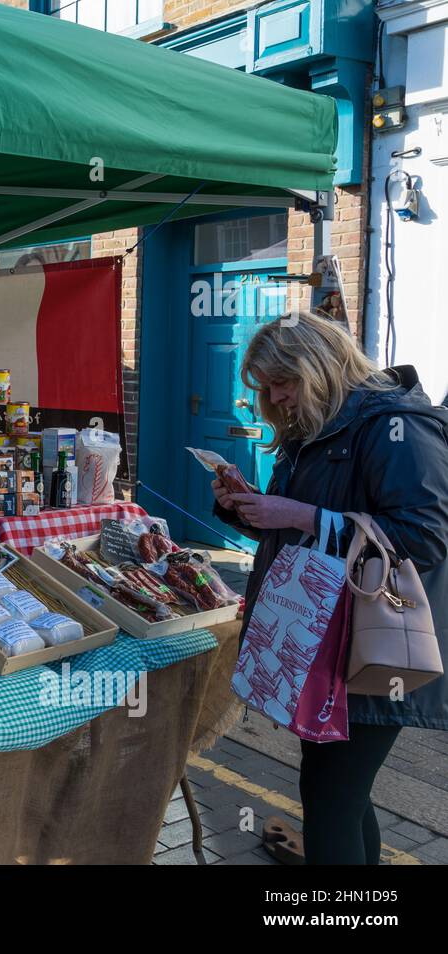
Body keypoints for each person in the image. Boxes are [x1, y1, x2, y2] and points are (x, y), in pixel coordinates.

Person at [212, 311, 448, 865]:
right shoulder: (317, 426)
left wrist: (299, 513)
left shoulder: (398, 425)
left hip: (370, 643)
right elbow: (303, 526)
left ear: (319, 367)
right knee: (339, 792)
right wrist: (247, 509)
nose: (275, 397)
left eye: (282, 382)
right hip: (321, 637)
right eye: (266, 387)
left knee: (330, 797)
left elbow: (426, 536)